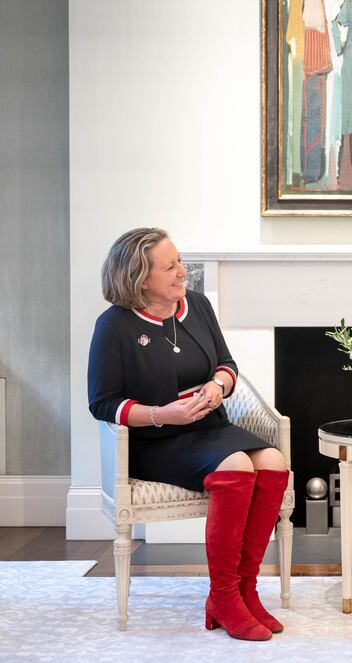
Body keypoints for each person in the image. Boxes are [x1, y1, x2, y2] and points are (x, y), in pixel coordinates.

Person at [88, 228, 288, 642]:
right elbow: (103, 404)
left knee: (273, 460)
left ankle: (245, 590)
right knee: (236, 465)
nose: (183, 272)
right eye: (171, 266)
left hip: (209, 428)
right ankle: (223, 595)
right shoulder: (114, 327)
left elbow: (228, 364)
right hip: (155, 440)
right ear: (141, 278)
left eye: (180, 261)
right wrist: (164, 414)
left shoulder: (195, 306)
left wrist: (218, 385)